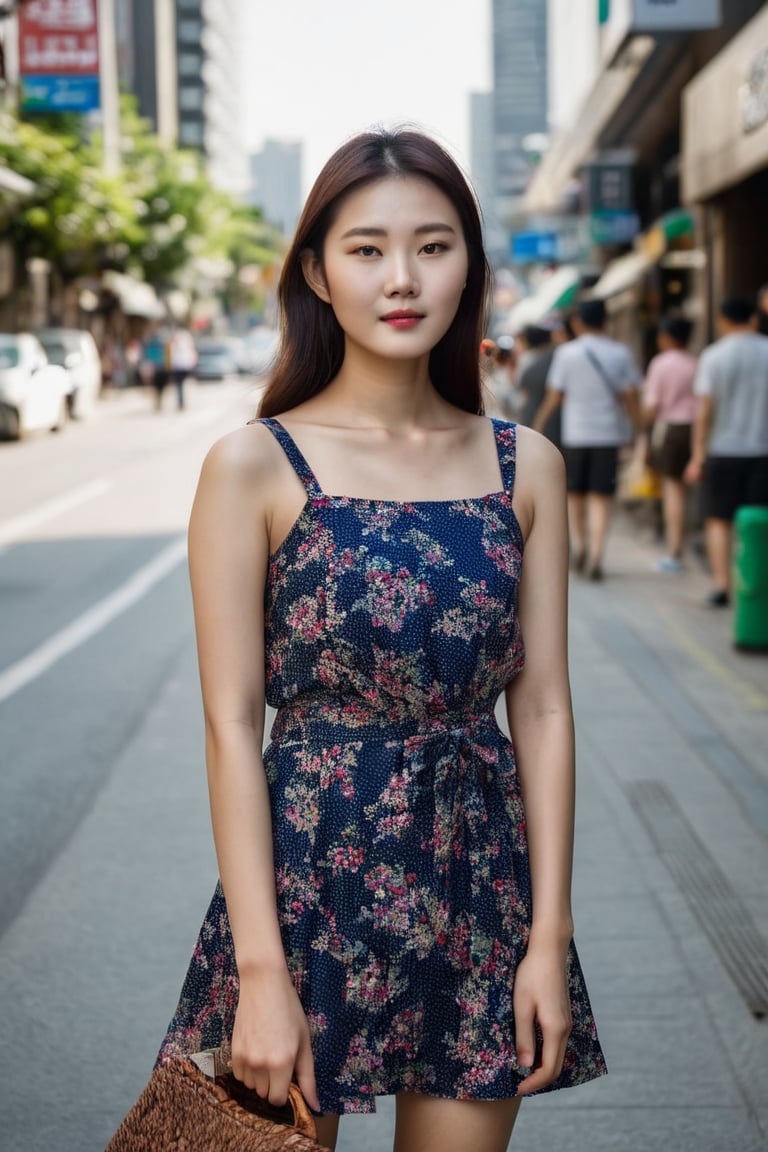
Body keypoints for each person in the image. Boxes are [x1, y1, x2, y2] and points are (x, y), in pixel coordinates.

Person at [156, 128, 606, 1152]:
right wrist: (261, 976)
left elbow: (542, 707)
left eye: (434, 246)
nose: (401, 278)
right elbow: (232, 725)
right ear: (317, 271)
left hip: (480, 883)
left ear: (471, 266)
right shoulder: (254, 466)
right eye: (366, 249)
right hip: (307, 885)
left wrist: (549, 936)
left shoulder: (524, 465)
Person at [533, 298, 641, 581]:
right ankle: (596, 556)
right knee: (601, 497)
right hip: (608, 435)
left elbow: (554, 396)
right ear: (606, 320)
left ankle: (580, 545)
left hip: (576, 434)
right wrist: (637, 431)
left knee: (575, 495)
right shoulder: (620, 353)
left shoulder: (567, 354)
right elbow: (630, 396)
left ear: (579, 322)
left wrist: (538, 425)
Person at [684, 296, 768, 607]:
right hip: (763, 451)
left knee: (719, 520)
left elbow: (704, 411)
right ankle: (756, 585)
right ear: (753, 318)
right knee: (759, 522)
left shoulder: (714, 356)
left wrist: (697, 455)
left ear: (722, 319)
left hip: (723, 451)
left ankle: (723, 586)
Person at [642, 315, 698, 572]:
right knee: (687, 490)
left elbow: (652, 405)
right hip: (696, 429)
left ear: (666, 337)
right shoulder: (696, 363)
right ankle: (683, 544)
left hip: (671, 430)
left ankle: (675, 550)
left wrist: (643, 431)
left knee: (673, 490)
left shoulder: (661, 364)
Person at [516, 324, 560, 448]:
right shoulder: (556, 355)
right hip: (555, 419)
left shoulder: (527, 359)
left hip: (533, 414)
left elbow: (521, 387)